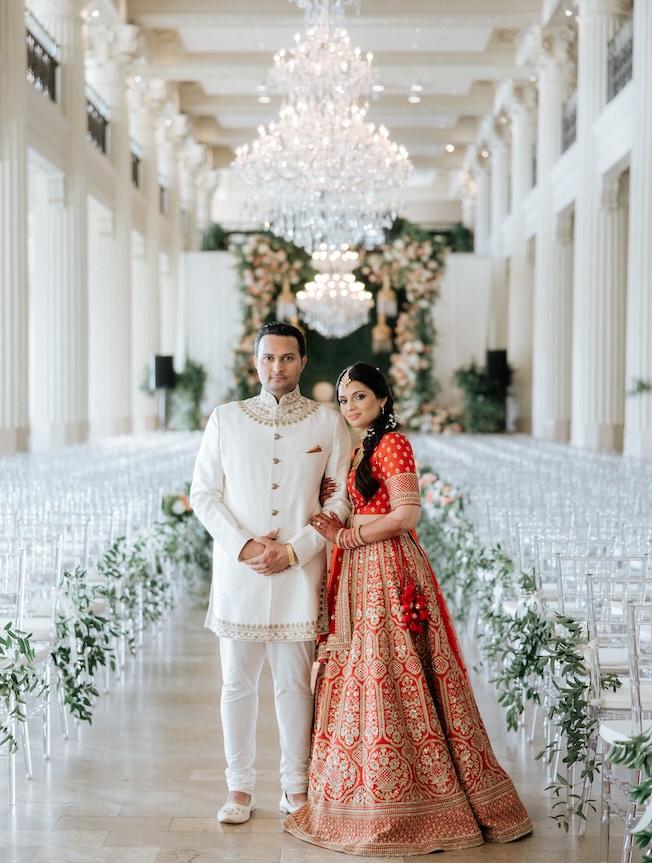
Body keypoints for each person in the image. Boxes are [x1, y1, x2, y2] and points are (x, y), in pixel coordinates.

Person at [284, 362, 532, 856]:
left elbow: (407, 513)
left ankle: (408, 794)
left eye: (359, 396)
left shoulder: (393, 443)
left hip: (387, 570)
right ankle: (368, 787)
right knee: (364, 670)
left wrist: (350, 535)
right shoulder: (360, 446)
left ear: (382, 397)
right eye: (344, 399)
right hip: (359, 571)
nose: (350, 406)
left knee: (388, 670)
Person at [189, 322, 352, 824]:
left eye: (286, 358)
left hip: (299, 573)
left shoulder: (327, 422)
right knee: (237, 685)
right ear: (254, 363)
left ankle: (294, 788)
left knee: (295, 684)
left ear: (303, 362)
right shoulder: (225, 418)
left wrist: (296, 551)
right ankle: (239, 789)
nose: (276, 367)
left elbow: (342, 497)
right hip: (240, 575)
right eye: (268, 359)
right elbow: (203, 495)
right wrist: (244, 547)